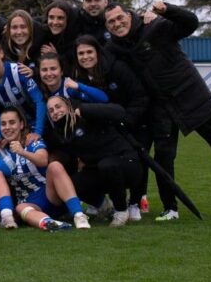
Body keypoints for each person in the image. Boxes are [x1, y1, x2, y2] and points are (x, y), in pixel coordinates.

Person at [104, 0, 211, 218]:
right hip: (160, 106)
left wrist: (166, 9)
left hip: (191, 95)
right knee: (164, 157)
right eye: (111, 21)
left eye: (120, 18)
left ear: (130, 16)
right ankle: (171, 208)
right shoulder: (115, 48)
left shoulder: (156, 27)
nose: (117, 23)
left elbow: (191, 23)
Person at [71, 34, 150, 219]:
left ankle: (133, 203)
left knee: (130, 161)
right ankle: (104, 203)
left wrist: (127, 121)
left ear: (98, 52)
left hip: (129, 125)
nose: (85, 57)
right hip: (101, 135)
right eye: (80, 53)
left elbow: (139, 96)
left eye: (89, 52)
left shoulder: (116, 69)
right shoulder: (76, 77)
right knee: (92, 172)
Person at [45, 96, 143, 227]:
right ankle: (104, 206)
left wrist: (85, 109)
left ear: (68, 106)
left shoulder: (86, 115)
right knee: (73, 183)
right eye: (51, 110)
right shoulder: (59, 133)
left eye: (58, 107)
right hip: (99, 170)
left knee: (107, 165)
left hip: (127, 163)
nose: (55, 112)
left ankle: (121, 210)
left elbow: (119, 111)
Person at [0, 107, 86, 230]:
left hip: (51, 195)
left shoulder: (31, 141)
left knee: (55, 165)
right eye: (3, 124)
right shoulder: (0, 151)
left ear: (21, 124)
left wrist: (22, 152)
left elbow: (43, 160)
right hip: (31, 203)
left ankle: (79, 215)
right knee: (20, 208)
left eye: (12, 122)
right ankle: (51, 224)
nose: (7, 127)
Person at [0, 37, 46, 142]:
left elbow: (39, 101)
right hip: (15, 129)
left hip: (37, 123)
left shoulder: (18, 71)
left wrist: (37, 132)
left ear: (1, 53)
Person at [37, 52, 109, 102]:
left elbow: (104, 98)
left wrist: (79, 86)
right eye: (44, 70)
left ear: (61, 71)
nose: (49, 73)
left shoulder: (70, 88)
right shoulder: (39, 90)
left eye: (53, 69)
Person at [34, 0, 81, 70]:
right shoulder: (40, 34)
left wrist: (56, 56)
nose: (55, 22)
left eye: (60, 18)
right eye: (51, 17)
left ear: (68, 20)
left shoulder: (76, 39)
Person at [1, 10, 46, 75]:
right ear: (8, 30)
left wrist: (34, 72)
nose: (19, 32)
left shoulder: (42, 48)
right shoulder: (3, 50)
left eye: (23, 27)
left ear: (30, 29)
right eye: (14, 27)